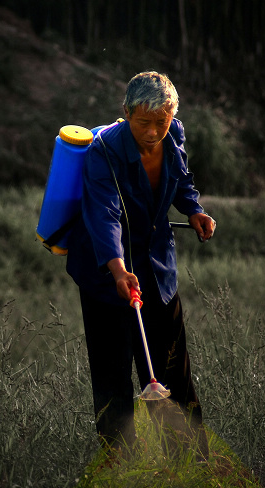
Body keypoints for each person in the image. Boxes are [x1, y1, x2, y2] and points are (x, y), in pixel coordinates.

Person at [66, 71, 215, 459]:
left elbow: (181, 180)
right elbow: (104, 215)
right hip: (106, 274)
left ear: (172, 117)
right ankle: (120, 468)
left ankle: (189, 463)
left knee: (173, 368)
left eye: (161, 123)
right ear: (126, 114)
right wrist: (117, 270)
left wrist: (194, 210)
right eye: (143, 123)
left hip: (156, 268)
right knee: (113, 376)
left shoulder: (174, 134)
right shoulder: (104, 152)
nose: (152, 132)